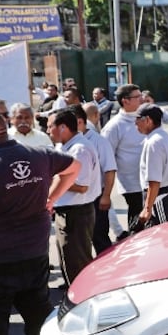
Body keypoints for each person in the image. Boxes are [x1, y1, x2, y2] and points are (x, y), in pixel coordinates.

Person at [0, 108, 79, 335]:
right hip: (35, 253)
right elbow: (74, 167)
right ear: (5, 127)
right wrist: (53, 198)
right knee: (38, 314)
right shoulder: (39, 153)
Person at [48, 109, 100, 287]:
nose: (48, 131)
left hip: (76, 213)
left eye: (50, 127)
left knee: (77, 262)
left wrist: (55, 177)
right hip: (68, 212)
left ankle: (83, 300)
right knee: (68, 259)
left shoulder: (79, 149)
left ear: (63, 127)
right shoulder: (65, 146)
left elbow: (82, 186)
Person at [73, 105, 117, 254]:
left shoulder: (98, 141)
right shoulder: (66, 142)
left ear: (79, 122)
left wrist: (106, 196)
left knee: (99, 237)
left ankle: (109, 270)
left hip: (97, 197)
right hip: (77, 200)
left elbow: (109, 170)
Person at [101, 84, 147, 228]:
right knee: (138, 222)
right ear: (125, 100)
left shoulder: (145, 118)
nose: (142, 99)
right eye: (137, 97)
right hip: (132, 184)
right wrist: (106, 192)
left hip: (151, 180)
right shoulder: (114, 126)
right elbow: (107, 159)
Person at [134, 104, 168, 227]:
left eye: (137, 120)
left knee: (161, 237)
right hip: (166, 194)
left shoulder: (154, 143)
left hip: (158, 198)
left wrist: (148, 208)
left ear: (147, 120)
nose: (135, 124)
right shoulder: (165, 137)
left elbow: (154, 180)